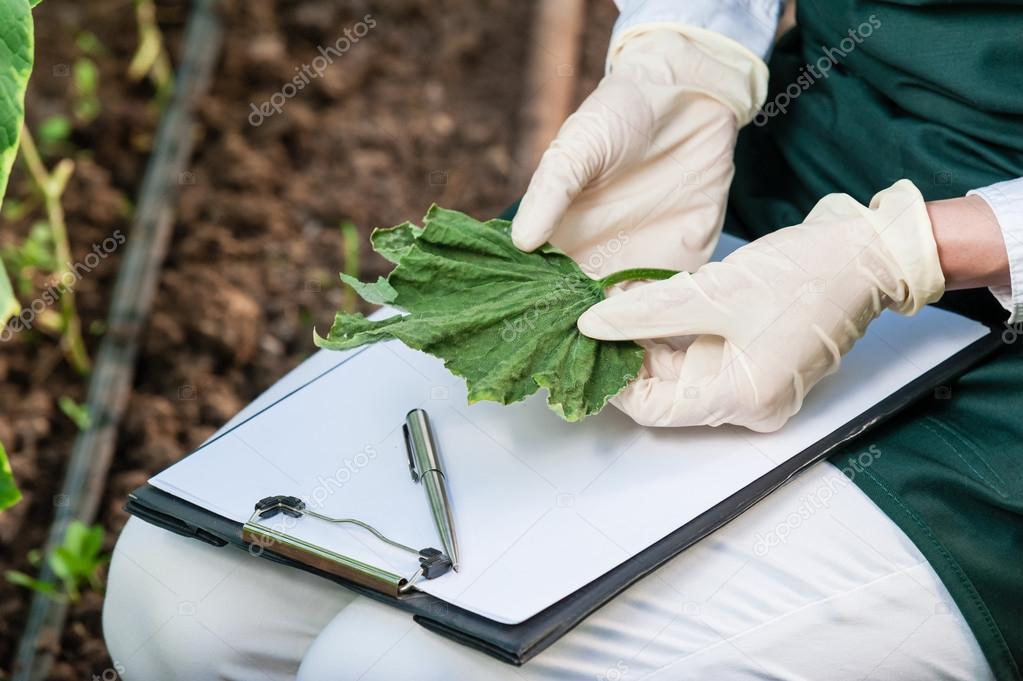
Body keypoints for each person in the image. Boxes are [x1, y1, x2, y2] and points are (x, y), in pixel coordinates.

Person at [103, 1, 1023, 679]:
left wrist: (918, 247)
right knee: (179, 602)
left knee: (402, 669)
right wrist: (689, 53)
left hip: (999, 391)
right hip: (803, 160)